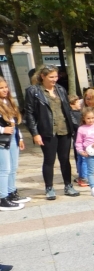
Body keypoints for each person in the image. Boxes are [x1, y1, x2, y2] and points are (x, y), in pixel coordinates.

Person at [24, 64, 80, 200]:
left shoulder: (61, 89)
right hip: (47, 131)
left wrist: (76, 127)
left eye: (56, 76)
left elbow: (67, 110)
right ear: (43, 76)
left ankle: (68, 185)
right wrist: (35, 133)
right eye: (51, 77)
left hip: (64, 130)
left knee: (65, 159)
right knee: (49, 160)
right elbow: (29, 114)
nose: (54, 79)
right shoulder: (33, 91)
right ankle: (49, 187)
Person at [0, 77, 29, 210]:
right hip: (2, 140)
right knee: (4, 169)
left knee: (13, 167)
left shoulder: (8, 101)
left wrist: (20, 137)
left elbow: (14, 124)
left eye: (6, 87)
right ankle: (2, 198)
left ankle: (11, 193)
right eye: (1, 88)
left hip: (13, 138)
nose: (5, 90)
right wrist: (2, 129)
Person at [68, 96, 88, 188]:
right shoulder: (72, 114)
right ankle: (84, 178)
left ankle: (81, 176)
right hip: (80, 139)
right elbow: (77, 125)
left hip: (77, 139)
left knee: (79, 159)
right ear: (72, 104)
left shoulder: (78, 113)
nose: (79, 103)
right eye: (77, 102)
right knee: (83, 159)